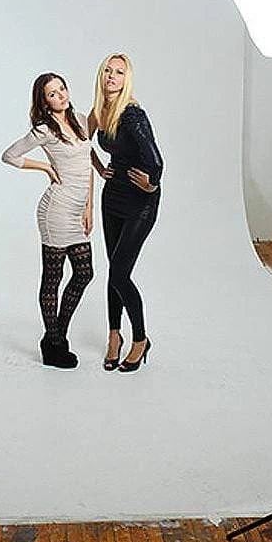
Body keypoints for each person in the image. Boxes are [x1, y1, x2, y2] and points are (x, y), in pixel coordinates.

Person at [1, 73, 94, 369]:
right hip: (56, 210)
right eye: (52, 93)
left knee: (85, 273)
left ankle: (55, 337)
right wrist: (44, 167)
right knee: (53, 277)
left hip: (77, 210)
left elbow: (88, 166)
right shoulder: (44, 130)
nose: (61, 96)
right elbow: (9, 155)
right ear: (44, 101)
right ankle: (54, 343)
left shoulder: (80, 120)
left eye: (62, 89)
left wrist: (89, 208)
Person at [89, 53, 163, 373]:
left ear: (126, 79)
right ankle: (114, 336)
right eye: (108, 70)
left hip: (140, 203)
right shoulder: (99, 111)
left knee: (120, 273)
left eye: (119, 72)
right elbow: (79, 142)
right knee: (113, 270)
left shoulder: (133, 115)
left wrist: (151, 184)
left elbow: (156, 161)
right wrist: (97, 166)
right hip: (112, 196)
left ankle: (141, 339)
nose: (112, 76)